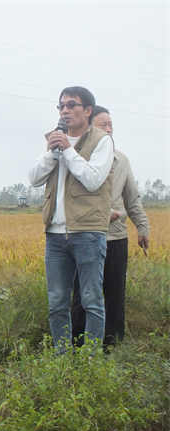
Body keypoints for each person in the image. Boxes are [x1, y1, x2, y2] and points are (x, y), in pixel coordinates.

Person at [28, 86, 114, 351]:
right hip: (55, 234)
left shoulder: (102, 141)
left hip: (88, 232)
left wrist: (68, 150)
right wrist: (52, 151)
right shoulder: (55, 139)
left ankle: (90, 360)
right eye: (61, 106)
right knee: (57, 302)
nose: (64, 110)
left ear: (87, 110)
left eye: (71, 105)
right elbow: (34, 179)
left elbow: (92, 179)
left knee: (91, 300)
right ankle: (62, 358)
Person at [71, 105, 150, 348]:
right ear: (90, 129)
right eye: (102, 125)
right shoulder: (78, 160)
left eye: (110, 125)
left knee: (115, 292)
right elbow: (73, 199)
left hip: (116, 237)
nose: (108, 129)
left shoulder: (121, 160)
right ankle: (79, 345)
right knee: (83, 294)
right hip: (85, 236)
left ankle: (112, 345)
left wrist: (142, 227)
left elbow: (132, 199)